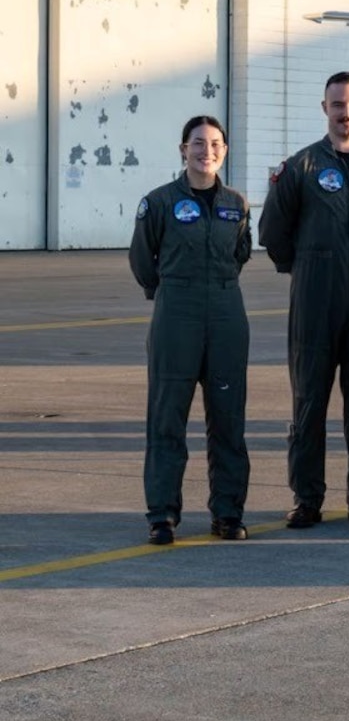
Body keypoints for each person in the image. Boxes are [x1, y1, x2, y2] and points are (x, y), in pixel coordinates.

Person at [259, 71, 349, 528]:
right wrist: (310, 268)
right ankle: (307, 498)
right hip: (315, 305)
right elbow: (273, 235)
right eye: (338, 105)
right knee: (309, 403)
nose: (347, 114)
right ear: (325, 109)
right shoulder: (299, 168)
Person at [128, 116, 254, 546]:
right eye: (198, 143)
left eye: (216, 144)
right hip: (176, 314)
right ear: (183, 149)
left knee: (228, 420)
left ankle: (228, 512)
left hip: (226, 313)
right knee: (167, 419)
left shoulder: (237, 203)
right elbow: (144, 261)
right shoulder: (159, 202)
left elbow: (240, 254)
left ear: (225, 150)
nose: (207, 151)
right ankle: (162, 514)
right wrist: (170, 293)